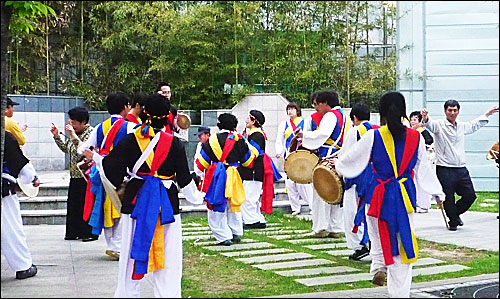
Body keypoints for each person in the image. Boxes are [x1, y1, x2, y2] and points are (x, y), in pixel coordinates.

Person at [86, 94, 204, 297]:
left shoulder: (130, 140)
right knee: (169, 257)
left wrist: (97, 158)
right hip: (166, 204)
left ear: (143, 113)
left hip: (136, 201)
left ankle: (127, 294)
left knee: (130, 256)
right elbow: (184, 180)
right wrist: (197, 198)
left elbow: (110, 169)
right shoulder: (175, 144)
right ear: (168, 116)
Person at [336, 91, 445, 297]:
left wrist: (338, 165)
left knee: (377, 237)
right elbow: (424, 171)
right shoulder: (416, 137)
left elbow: (350, 161)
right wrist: (437, 192)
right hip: (405, 198)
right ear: (403, 111)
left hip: (378, 197)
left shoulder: (372, 136)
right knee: (402, 244)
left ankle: (378, 266)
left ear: (382, 111)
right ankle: (399, 292)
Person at [421, 101, 499, 230]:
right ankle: (453, 221)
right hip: (444, 168)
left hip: (460, 168)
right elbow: (429, 123)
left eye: (455, 110)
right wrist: (425, 117)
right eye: (450, 110)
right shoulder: (439, 125)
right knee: (448, 197)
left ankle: (454, 214)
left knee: (470, 195)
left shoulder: (461, 126)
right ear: (445, 111)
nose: (452, 113)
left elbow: (474, 125)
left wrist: (487, 114)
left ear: (458, 111)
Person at [78, 92, 137, 259]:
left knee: (106, 206)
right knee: (120, 207)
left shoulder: (99, 128)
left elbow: (82, 148)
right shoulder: (129, 127)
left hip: (102, 170)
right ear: (126, 107)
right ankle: (118, 246)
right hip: (122, 171)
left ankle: (112, 244)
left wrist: (96, 156)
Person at [295, 90, 350, 238]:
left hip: (327, 156)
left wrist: (304, 136)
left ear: (326, 103)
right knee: (336, 192)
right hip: (339, 157)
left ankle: (321, 227)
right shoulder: (344, 116)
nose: (316, 107)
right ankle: (336, 227)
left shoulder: (330, 116)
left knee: (321, 192)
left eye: (318, 103)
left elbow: (322, 134)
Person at [195, 113, 256, 245]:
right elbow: (247, 162)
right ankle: (236, 231)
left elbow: (202, 164)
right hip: (234, 175)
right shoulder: (239, 140)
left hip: (217, 175)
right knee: (233, 204)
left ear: (219, 125)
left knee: (216, 204)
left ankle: (223, 235)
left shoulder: (211, 140)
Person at [338, 102, 379, 260]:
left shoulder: (354, 132)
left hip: (358, 177)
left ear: (354, 118)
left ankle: (361, 245)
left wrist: (340, 172)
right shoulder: (378, 130)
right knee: (373, 210)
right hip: (376, 176)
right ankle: (375, 243)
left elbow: (346, 156)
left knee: (353, 211)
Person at [50, 106, 98, 242]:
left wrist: (73, 135)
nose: (71, 125)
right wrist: (56, 136)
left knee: (85, 204)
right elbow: (67, 148)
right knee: (74, 205)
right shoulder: (73, 132)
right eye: (70, 121)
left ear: (83, 122)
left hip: (86, 176)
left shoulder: (91, 133)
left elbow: (84, 150)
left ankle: (87, 232)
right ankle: (73, 231)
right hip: (74, 175)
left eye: (74, 122)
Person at [2, 131, 40, 279]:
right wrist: (31, 178)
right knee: (10, 229)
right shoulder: (4, 136)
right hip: (3, 190)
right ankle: (22, 266)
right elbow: (20, 163)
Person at [240, 110, 282, 229]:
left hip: (253, 169)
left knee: (249, 196)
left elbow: (252, 153)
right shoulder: (255, 134)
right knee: (251, 195)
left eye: (249, 118)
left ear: (254, 121)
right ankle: (256, 218)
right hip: (254, 169)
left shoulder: (257, 135)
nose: (246, 120)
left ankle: (251, 220)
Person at [275, 102, 313, 215]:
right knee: (290, 183)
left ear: (297, 110)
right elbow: (279, 139)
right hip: (289, 155)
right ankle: (295, 208)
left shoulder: (305, 122)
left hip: (301, 155)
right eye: (288, 109)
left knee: (304, 183)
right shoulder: (284, 124)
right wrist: (279, 151)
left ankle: (312, 206)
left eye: (292, 109)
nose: (290, 111)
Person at [409, 110, 435, 213]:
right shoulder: (411, 132)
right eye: (411, 120)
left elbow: (430, 143)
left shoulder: (423, 132)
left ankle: (424, 205)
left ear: (420, 121)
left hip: (423, 161)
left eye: (415, 119)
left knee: (422, 183)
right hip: (413, 161)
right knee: (414, 182)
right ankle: (415, 202)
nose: (412, 122)